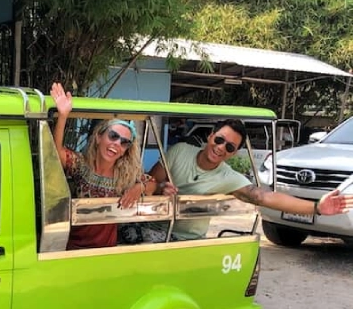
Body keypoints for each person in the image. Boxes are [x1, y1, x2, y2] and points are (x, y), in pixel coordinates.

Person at [143, 118, 353, 242]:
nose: (221, 148)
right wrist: (162, 188)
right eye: (219, 140)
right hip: (152, 227)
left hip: (185, 240)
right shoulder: (180, 151)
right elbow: (150, 183)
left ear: (234, 153)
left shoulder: (228, 177)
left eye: (229, 147)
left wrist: (316, 207)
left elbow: (265, 197)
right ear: (210, 136)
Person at [51, 83, 156, 249]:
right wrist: (63, 115)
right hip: (74, 247)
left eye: (124, 142)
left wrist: (139, 187)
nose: (117, 144)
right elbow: (55, 155)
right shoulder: (82, 166)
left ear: (125, 151)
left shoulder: (124, 175)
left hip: (106, 251)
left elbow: (152, 182)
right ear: (98, 138)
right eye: (113, 136)